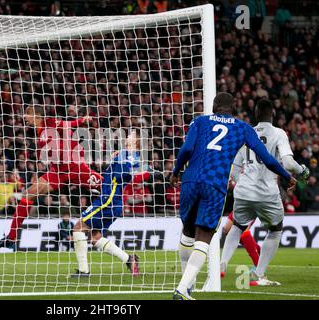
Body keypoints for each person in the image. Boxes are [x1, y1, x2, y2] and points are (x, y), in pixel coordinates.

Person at [170, 93, 296, 300]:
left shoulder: (200, 121)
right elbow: (266, 158)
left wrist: (176, 172)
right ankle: (183, 289)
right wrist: (286, 175)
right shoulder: (242, 128)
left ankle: (187, 282)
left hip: (190, 180)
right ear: (233, 108)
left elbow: (186, 149)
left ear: (214, 106)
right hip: (215, 184)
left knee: (188, 231)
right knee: (204, 236)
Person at [220, 99, 309, 286]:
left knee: (237, 226)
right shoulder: (278, 133)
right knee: (275, 231)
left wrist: (240, 184)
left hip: (244, 191)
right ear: (273, 114)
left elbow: (234, 167)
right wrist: (302, 171)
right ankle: (258, 274)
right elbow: (288, 163)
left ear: (255, 114)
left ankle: (222, 264)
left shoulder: (246, 132)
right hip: (267, 192)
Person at [0, 105, 102, 249]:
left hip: (76, 168)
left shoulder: (49, 122)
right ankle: (11, 238)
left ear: (37, 115)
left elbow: (67, 124)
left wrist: (82, 120)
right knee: (28, 195)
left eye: (28, 114)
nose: (25, 117)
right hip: (57, 172)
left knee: (108, 185)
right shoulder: (39, 132)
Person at [70, 130, 163, 277]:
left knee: (78, 228)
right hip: (112, 199)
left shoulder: (131, 156)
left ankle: (84, 271)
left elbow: (127, 174)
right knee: (95, 236)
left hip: (109, 199)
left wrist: (146, 172)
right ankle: (129, 259)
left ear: (137, 141)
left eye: (131, 135)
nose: (127, 137)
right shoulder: (125, 154)